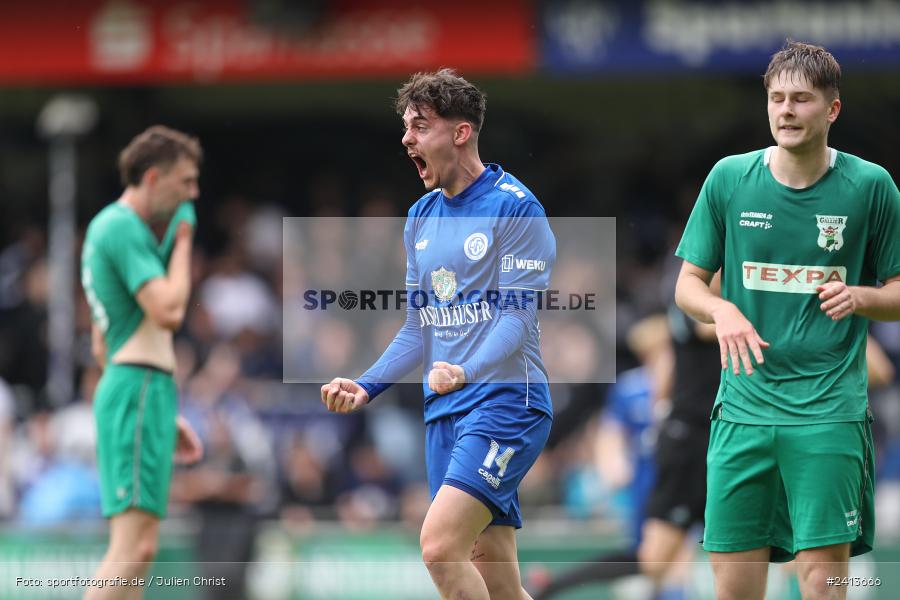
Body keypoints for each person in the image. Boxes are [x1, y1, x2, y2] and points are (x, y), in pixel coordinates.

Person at [674, 41, 900, 600]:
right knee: (735, 592)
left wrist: (861, 298)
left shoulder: (872, 187)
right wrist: (721, 308)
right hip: (742, 415)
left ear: (832, 109)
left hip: (829, 416)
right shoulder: (729, 179)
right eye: (777, 98)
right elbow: (687, 287)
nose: (786, 110)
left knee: (824, 588)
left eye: (801, 99)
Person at [321, 68, 556, 600]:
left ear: (460, 132)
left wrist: (466, 370)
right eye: (405, 127)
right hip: (444, 411)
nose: (407, 138)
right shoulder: (421, 217)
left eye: (420, 126)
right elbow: (417, 327)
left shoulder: (516, 206)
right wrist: (367, 384)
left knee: (438, 547)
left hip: (505, 402)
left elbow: (517, 320)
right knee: (495, 574)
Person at [80, 125, 205, 599]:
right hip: (136, 387)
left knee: (142, 550)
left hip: (141, 388)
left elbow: (102, 341)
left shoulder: (112, 231)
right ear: (153, 178)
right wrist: (186, 239)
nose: (192, 194)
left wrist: (161, 412)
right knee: (131, 550)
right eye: (185, 182)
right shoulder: (120, 226)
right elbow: (168, 310)